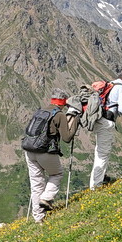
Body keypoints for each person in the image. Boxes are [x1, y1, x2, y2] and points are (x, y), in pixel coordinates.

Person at [23, 88, 81, 222]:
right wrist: (76, 121)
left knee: (36, 184)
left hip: (29, 151)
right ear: (63, 103)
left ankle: (38, 218)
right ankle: (47, 198)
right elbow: (67, 138)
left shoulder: (40, 111)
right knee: (56, 174)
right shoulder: (59, 114)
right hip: (45, 151)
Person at [90, 66, 122, 189]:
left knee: (99, 151)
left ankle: (98, 180)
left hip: (98, 120)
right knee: (103, 154)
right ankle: (96, 186)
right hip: (107, 122)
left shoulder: (110, 84)